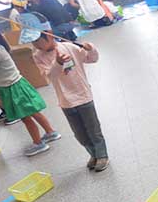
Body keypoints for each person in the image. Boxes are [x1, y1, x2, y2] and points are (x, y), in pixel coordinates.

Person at [25, 12, 110, 171]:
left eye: (37, 40)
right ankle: (93, 153)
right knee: (80, 134)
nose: (35, 45)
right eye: (31, 42)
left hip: (83, 96)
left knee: (93, 130)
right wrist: (57, 63)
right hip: (65, 101)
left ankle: (102, 155)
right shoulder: (38, 56)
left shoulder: (69, 47)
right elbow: (50, 76)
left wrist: (91, 49)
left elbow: (92, 59)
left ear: (48, 34)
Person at [0, 15, 60, 156]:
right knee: (33, 112)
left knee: (26, 117)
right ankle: (50, 132)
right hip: (16, 84)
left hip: (12, 87)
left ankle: (38, 143)